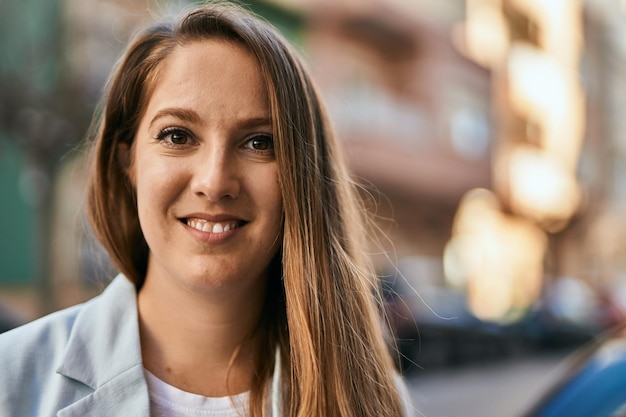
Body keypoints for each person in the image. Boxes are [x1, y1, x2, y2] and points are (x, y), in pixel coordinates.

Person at [0, 2, 415, 416]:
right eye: (177, 135)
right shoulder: (11, 377)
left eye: (259, 142)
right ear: (127, 162)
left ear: (302, 179)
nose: (215, 182)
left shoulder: (379, 401)